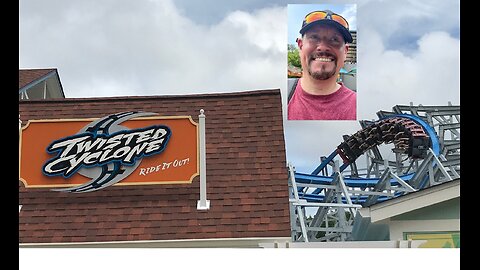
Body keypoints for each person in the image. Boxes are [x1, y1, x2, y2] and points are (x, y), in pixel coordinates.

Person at [288, 10, 356, 120]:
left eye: (334, 39)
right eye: (314, 37)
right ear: (300, 46)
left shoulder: (357, 105)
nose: (323, 47)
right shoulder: (282, 96)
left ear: (345, 52)